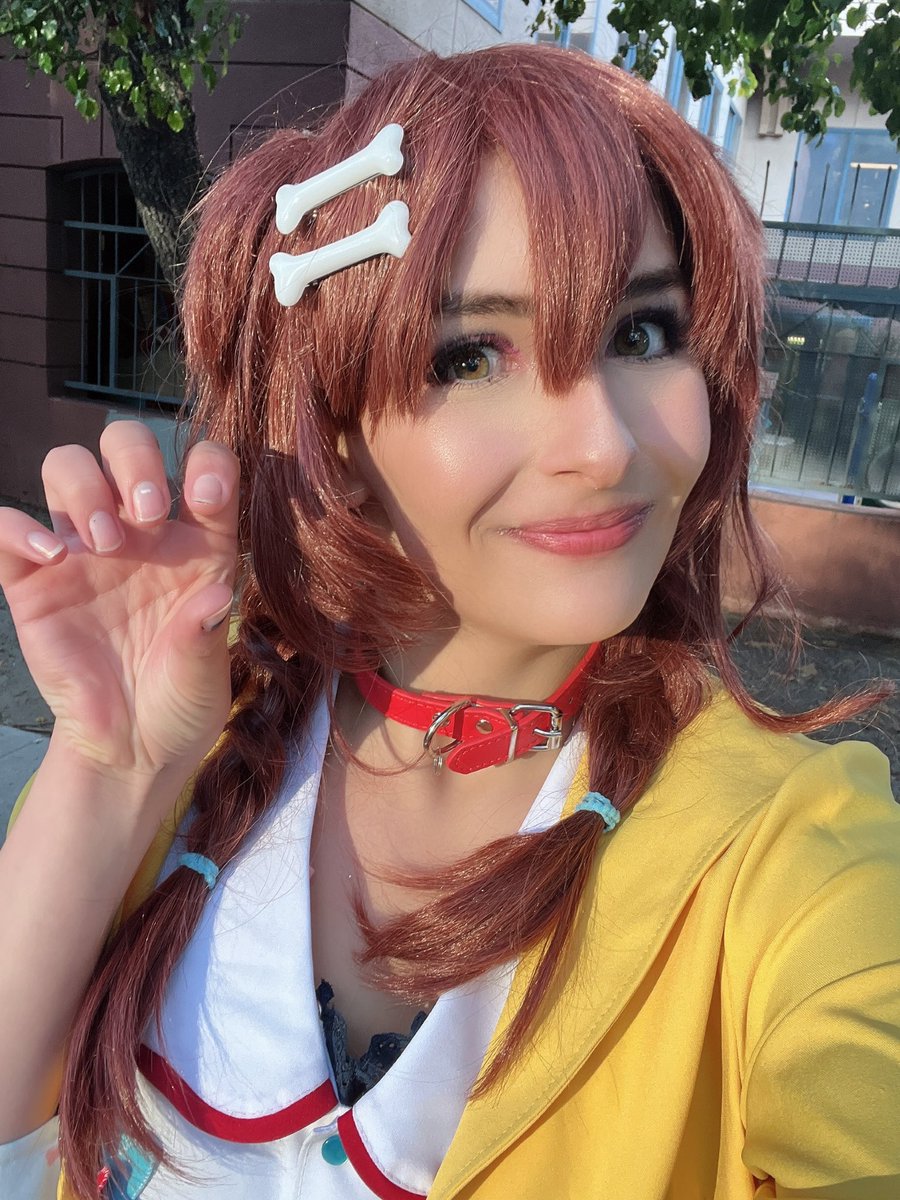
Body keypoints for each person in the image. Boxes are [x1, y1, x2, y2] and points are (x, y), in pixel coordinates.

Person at [0, 43, 897, 1200]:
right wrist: (108, 772)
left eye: (640, 335)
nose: (606, 447)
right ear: (332, 432)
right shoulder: (194, 733)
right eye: (473, 355)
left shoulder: (797, 857)